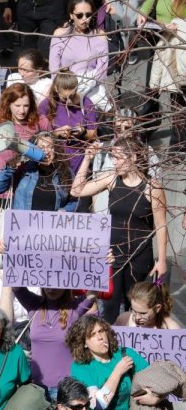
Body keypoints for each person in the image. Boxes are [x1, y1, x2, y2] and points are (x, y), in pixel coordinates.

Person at [73, 138, 169, 321]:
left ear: (132, 157)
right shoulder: (112, 179)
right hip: (112, 255)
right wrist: (86, 160)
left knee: (136, 308)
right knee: (109, 308)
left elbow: (161, 225)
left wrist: (162, 260)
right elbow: (77, 191)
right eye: (113, 158)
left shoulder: (152, 187)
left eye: (117, 158)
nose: (114, 162)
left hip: (139, 257)